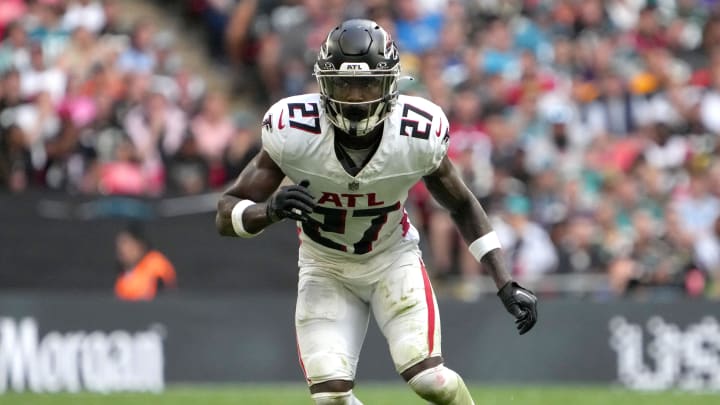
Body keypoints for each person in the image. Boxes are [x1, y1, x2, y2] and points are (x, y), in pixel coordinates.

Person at [216, 19, 538, 405]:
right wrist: (268, 211)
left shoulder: (416, 133)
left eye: (366, 84)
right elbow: (226, 213)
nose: (355, 98)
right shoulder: (295, 132)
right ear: (323, 84)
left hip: (391, 259)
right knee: (331, 398)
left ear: (389, 85)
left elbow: (462, 204)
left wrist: (504, 282)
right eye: (344, 84)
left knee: (431, 380)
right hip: (325, 266)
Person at [115, 222, 177, 301]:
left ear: (140, 245)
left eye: (126, 243)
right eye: (119, 245)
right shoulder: (123, 274)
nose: (121, 250)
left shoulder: (155, 263)